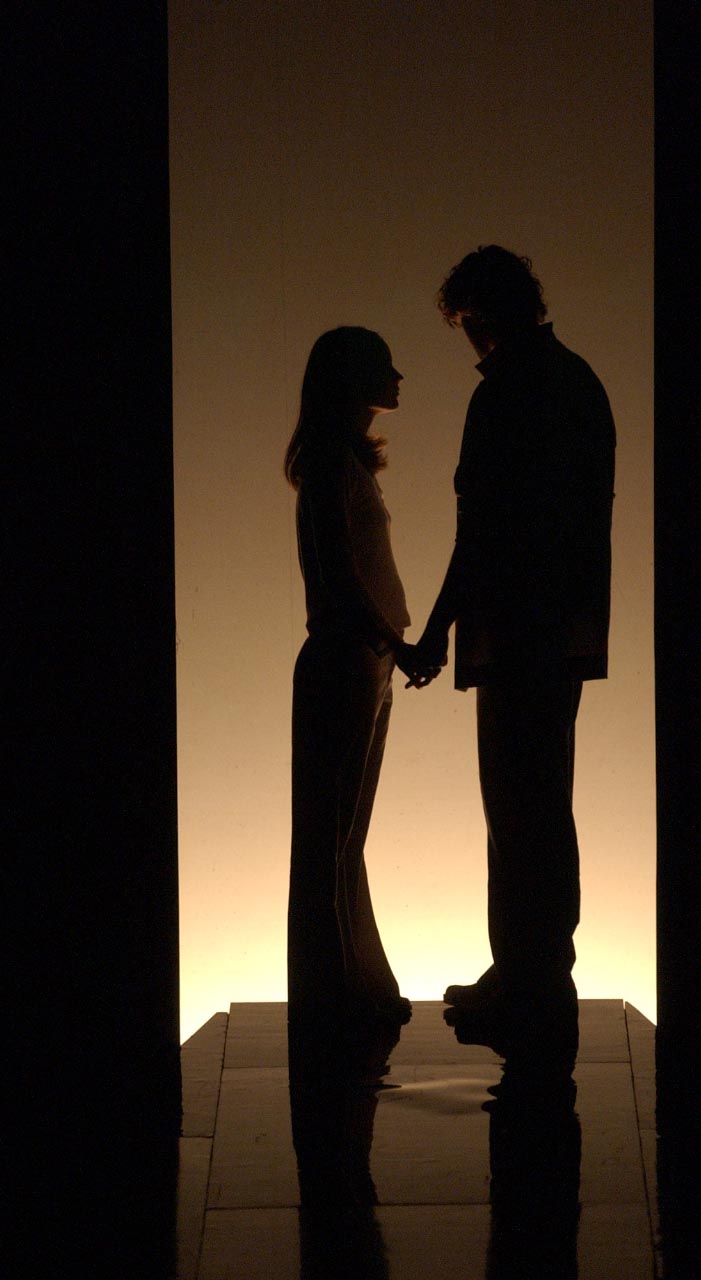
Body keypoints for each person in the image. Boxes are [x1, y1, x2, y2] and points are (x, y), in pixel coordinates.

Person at [413, 246, 616, 1055]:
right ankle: (534, 970)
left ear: (486, 313)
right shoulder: (578, 382)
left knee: (516, 806)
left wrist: (437, 628)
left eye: (468, 320)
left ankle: (526, 978)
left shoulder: (506, 393)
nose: (469, 338)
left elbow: (481, 534)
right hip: (561, 633)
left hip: (515, 632)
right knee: (541, 804)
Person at [285, 327, 430, 1035]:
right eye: (383, 366)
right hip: (348, 659)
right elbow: (342, 578)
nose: (398, 377)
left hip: (364, 661)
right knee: (332, 840)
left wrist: (390, 650)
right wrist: (395, 645)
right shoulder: (328, 466)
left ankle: (354, 986)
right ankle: (339, 993)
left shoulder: (342, 463)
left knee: (344, 838)